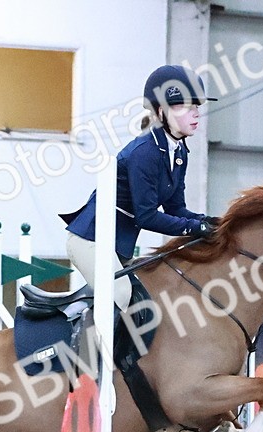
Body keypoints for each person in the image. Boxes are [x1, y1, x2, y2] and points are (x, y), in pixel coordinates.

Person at [60, 64, 220, 309]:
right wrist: (194, 228)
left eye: (197, 106)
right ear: (161, 111)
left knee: (146, 297)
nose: (196, 113)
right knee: (121, 295)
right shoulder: (144, 152)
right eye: (186, 106)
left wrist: (208, 221)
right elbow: (146, 216)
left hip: (117, 244)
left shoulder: (179, 152)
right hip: (90, 240)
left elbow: (176, 209)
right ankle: (87, 348)